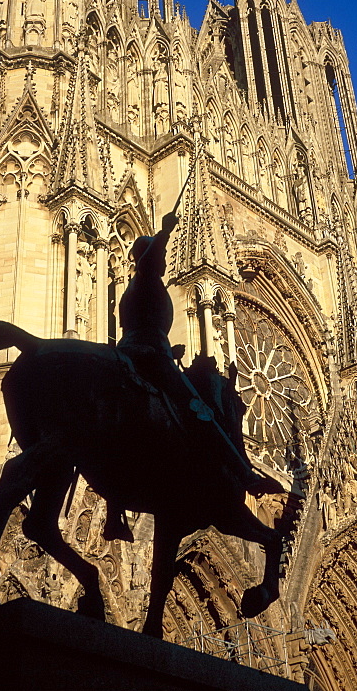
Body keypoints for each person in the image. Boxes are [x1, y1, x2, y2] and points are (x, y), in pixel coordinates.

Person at [102, 211, 281, 542]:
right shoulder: (143, 281)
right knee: (200, 410)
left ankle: (115, 512)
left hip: (140, 352)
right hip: (150, 357)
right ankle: (246, 474)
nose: (164, 263)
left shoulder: (137, 289)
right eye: (160, 259)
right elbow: (150, 259)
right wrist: (166, 231)